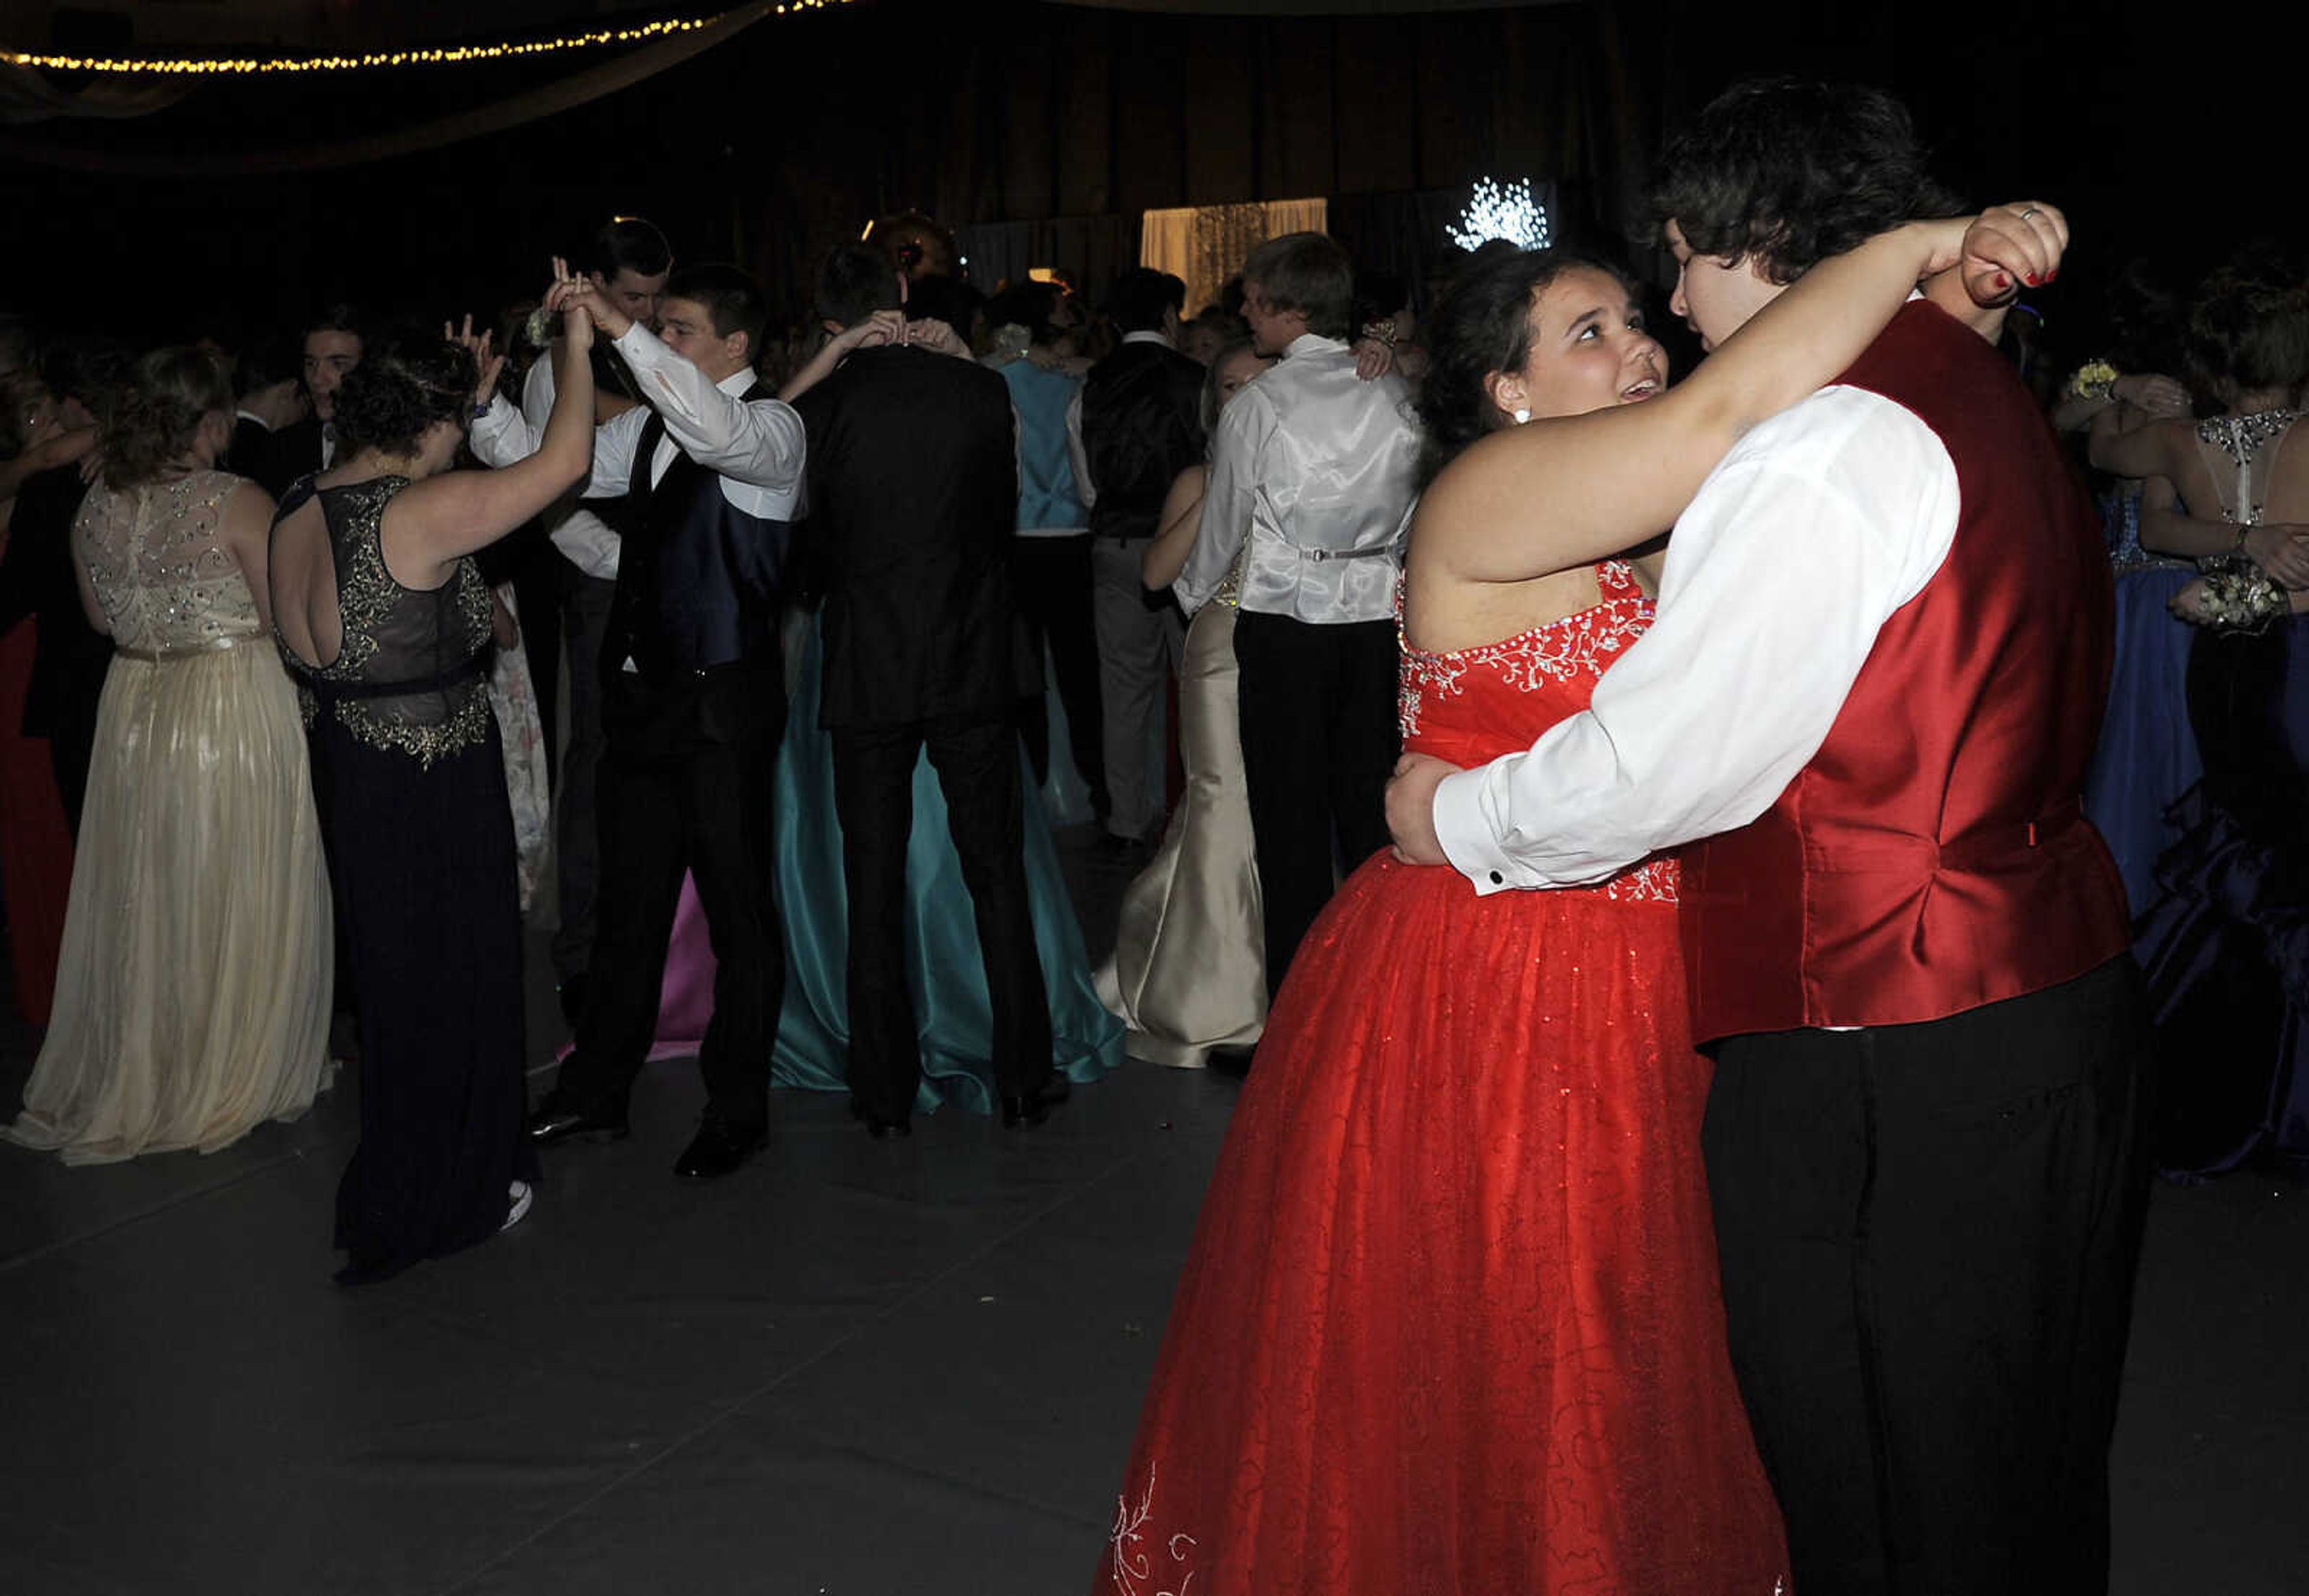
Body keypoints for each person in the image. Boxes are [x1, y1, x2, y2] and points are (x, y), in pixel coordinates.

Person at [1100, 198, 2050, 1589]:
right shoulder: (1487, 491)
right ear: (1502, 388)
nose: (1638, 349)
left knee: (1639, 1324)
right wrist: (1908, 249)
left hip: (1646, 967)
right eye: (1586, 333)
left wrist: (1946, 323)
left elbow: (1795, 477)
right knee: (1520, 1312)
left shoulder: (1646, 524)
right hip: (1494, 972)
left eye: (1635, 322)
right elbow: (1732, 412)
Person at [1388, 80, 2132, 1596]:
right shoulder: (1957, 393)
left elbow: (1672, 760)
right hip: (2025, 985)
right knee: (1996, 1456)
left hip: (1883, 1026)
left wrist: (1449, 812)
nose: (1667, 303)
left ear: (1761, 241)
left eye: (1678, 263)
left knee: (1885, 1467)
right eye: (1599, 315)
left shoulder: (1816, 446)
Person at [271, 278, 593, 1281]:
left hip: (354, 770)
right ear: (427, 419)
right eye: (456, 421)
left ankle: (406, 1175)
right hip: (437, 778)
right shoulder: (419, 511)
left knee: (397, 983)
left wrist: (470, 391)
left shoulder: (297, 502)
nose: (463, 438)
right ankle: (456, 1187)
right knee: (461, 975)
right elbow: (568, 460)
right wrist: (578, 340)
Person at [476, 262, 805, 1182]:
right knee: (628, 909)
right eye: (661, 328)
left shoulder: (771, 428)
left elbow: (711, 425)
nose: (663, 341)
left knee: (740, 916)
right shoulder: (656, 428)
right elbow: (552, 467)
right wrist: (485, 407)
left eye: (683, 328)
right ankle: (597, 1092)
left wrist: (620, 330)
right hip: (643, 705)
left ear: (736, 346)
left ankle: (738, 1109)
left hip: (721, 710)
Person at [7, 347, 331, 1163]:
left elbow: (98, 618)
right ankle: (233, 1062)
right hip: (228, 700)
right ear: (211, 419)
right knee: (237, 875)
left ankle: (166, 1057)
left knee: (156, 889)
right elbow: (287, 622)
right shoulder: (238, 500)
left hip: (136, 705)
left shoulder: (95, 505)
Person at [790, 242, 1061, 1135]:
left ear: (833, 324)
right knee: (996, 873)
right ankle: (1024, 1074)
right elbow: (1005, 515)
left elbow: (797, 534)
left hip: (870, 658)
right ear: (902, 295)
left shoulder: (823, 404)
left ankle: (882, 1092)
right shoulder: (981, 390)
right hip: (973, 655)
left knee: (872, 882)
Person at [2089, 254, 2309, 1179]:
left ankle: (2237, 1078)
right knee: (2285, 855)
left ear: (2217, 363)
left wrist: (2108, 390)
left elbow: (2109, 459)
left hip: (2234, 653)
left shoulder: (2187, 439)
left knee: (2245, 855)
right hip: (2295, 652)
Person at [1174, 231, 1421, 1002]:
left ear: (1289, 308)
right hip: (1376, 619)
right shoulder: (1393, 391)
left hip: (1284, 619)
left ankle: (1299, 1012)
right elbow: (1416, 508)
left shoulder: (1264, 403)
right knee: (1367, 813)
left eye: (1252, 298)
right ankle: (1383, 994)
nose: (1244, 309)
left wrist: (1191, 599)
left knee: (1290, 824)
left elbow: (1225, 519)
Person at [1096, 337, 1274, 1066]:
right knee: (1221, 806)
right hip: (1220, 653)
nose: (1245, 398)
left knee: (1277, 814)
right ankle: (1213, 991)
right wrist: (1228, 485)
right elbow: (1157, 571)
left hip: (1297, 650)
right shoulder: (1199, 476)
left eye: (1259, 386)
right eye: (1231, 388)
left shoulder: (1314, 471)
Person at [526, 215, 675, 1028]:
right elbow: (554, 500)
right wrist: (633, 565)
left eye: (657, 297)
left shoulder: (650, 345)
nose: (646, 313)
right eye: (632, 297)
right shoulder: (560, 364)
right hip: (604, 584)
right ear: (591, 286)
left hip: (666, 585)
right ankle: (582, 954)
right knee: (596, 767)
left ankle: (659, 947)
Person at [986, 280, 1106, 820]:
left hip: (1015, 537)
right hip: (1073, 536)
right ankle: (1099, 783)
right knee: (1082, 670)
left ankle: (1029, 785)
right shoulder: (1077, 376)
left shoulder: (992, 377)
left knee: (1023, 670)